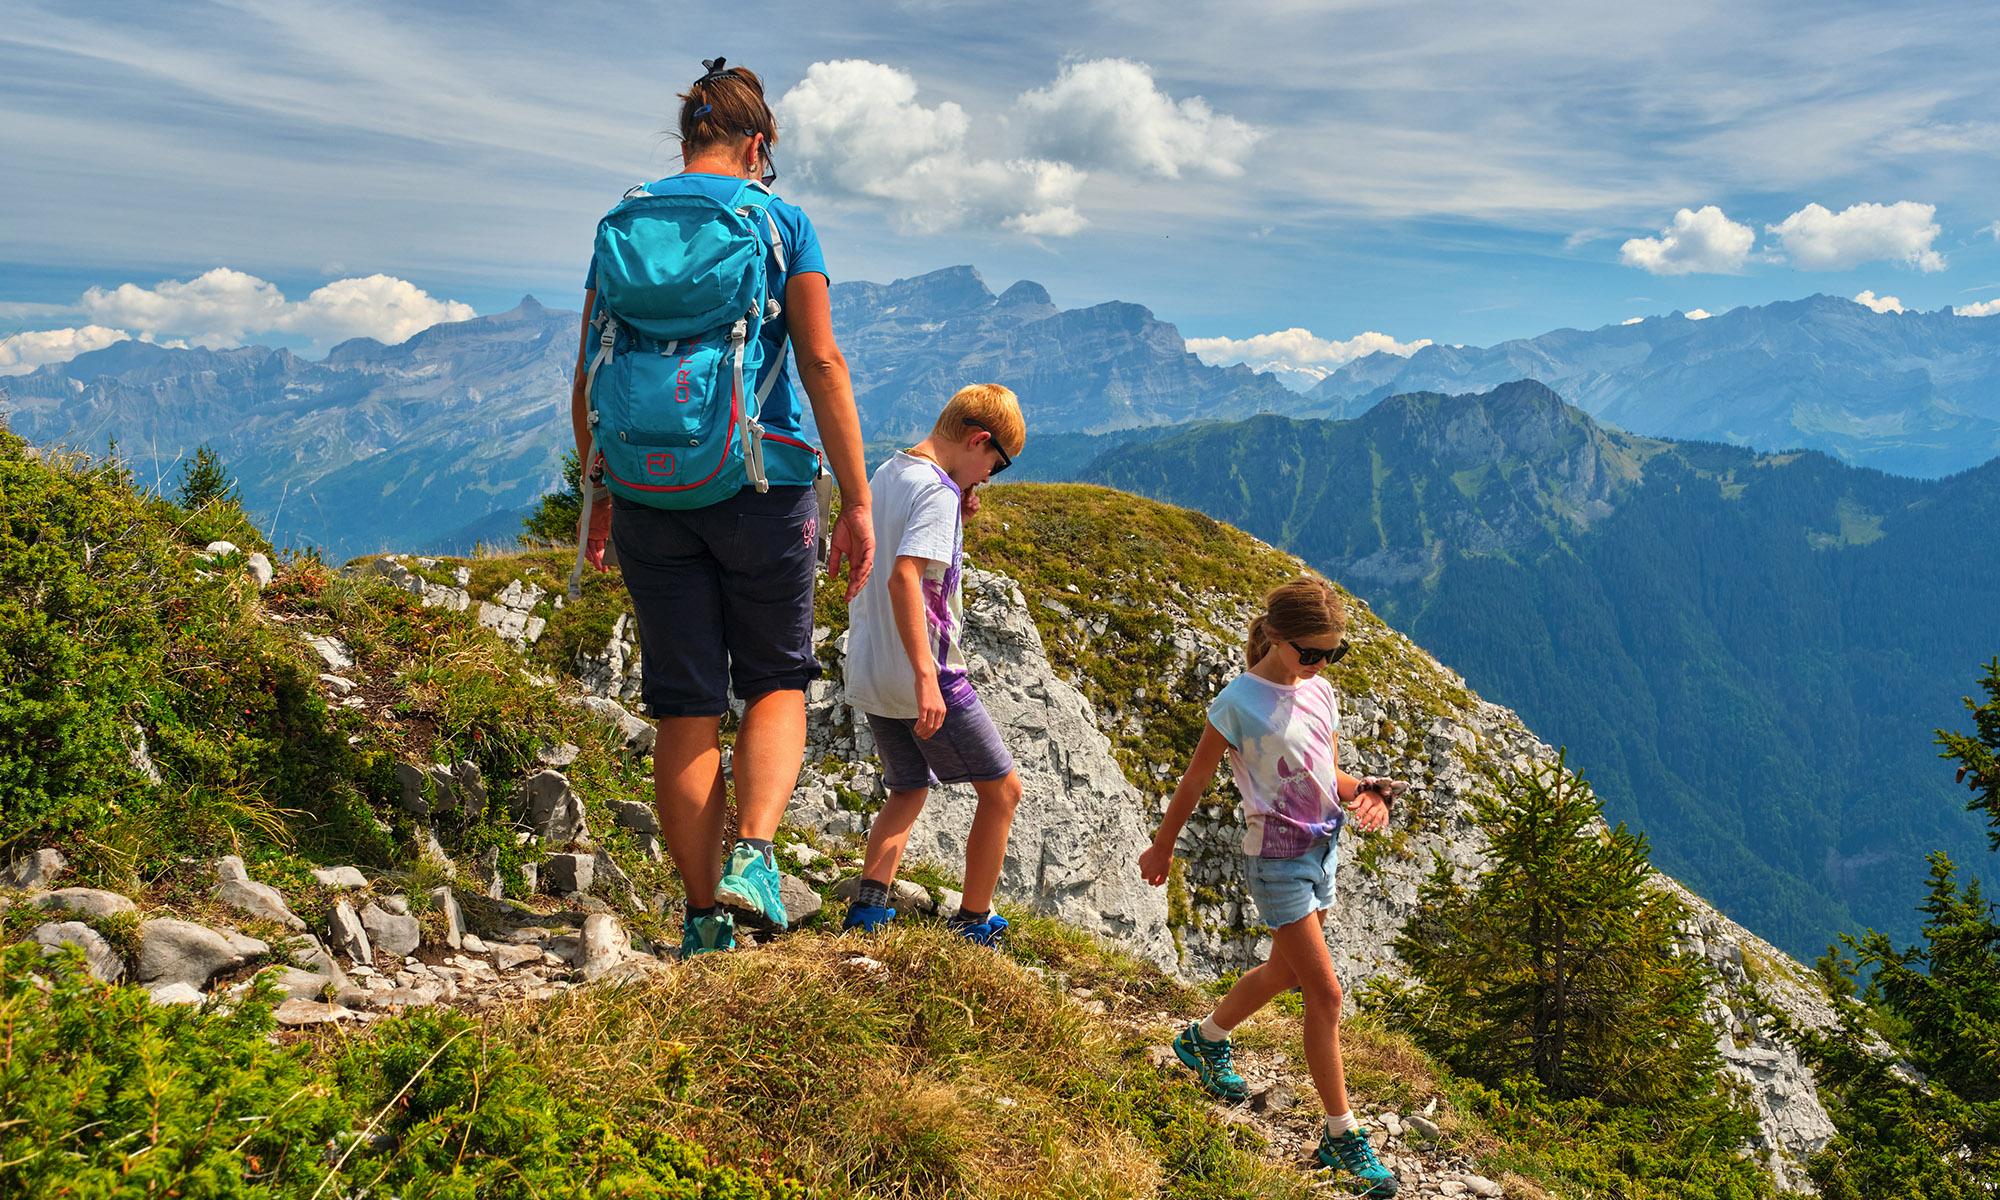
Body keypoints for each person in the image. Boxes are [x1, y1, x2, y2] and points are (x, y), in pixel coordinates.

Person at [569, 58, 875, 958]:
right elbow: (820, 364)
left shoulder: (622, 222)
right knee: (776, 678)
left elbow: (588, 363)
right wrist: (856, 500)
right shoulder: (781, 222)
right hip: (762, 480)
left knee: (684, 706)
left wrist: (597, 491)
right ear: (759, 143)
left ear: (687, 137)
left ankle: (702, 919)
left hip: (647, 489)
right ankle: (754, 856)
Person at [1139, 577, 1406, 1197]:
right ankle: (1341, 1138)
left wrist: (1367, 789)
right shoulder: (1238, 702)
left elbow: (1325, 772)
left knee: (1285, 974)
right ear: (1277, 638)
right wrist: (1163, 844)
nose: (1318, 664)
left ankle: (1203, 1042)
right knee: (1328, 996)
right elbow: (1194, 781)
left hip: (1323, 850)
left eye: (1330, 654)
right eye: (1309, 652)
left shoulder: (1320, 692)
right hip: (1277, 862)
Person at [838, 384, 1027, 946]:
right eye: (997, 463)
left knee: (908, 787)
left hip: (872, 668)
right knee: (1002, 791)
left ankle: (869, 909)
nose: (989, 478)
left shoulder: (888, 471)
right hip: (928, 671)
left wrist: (960, 510)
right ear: (979, 440)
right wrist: (927, 677)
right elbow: (906, 577)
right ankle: (974, 921)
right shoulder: (939, 492)